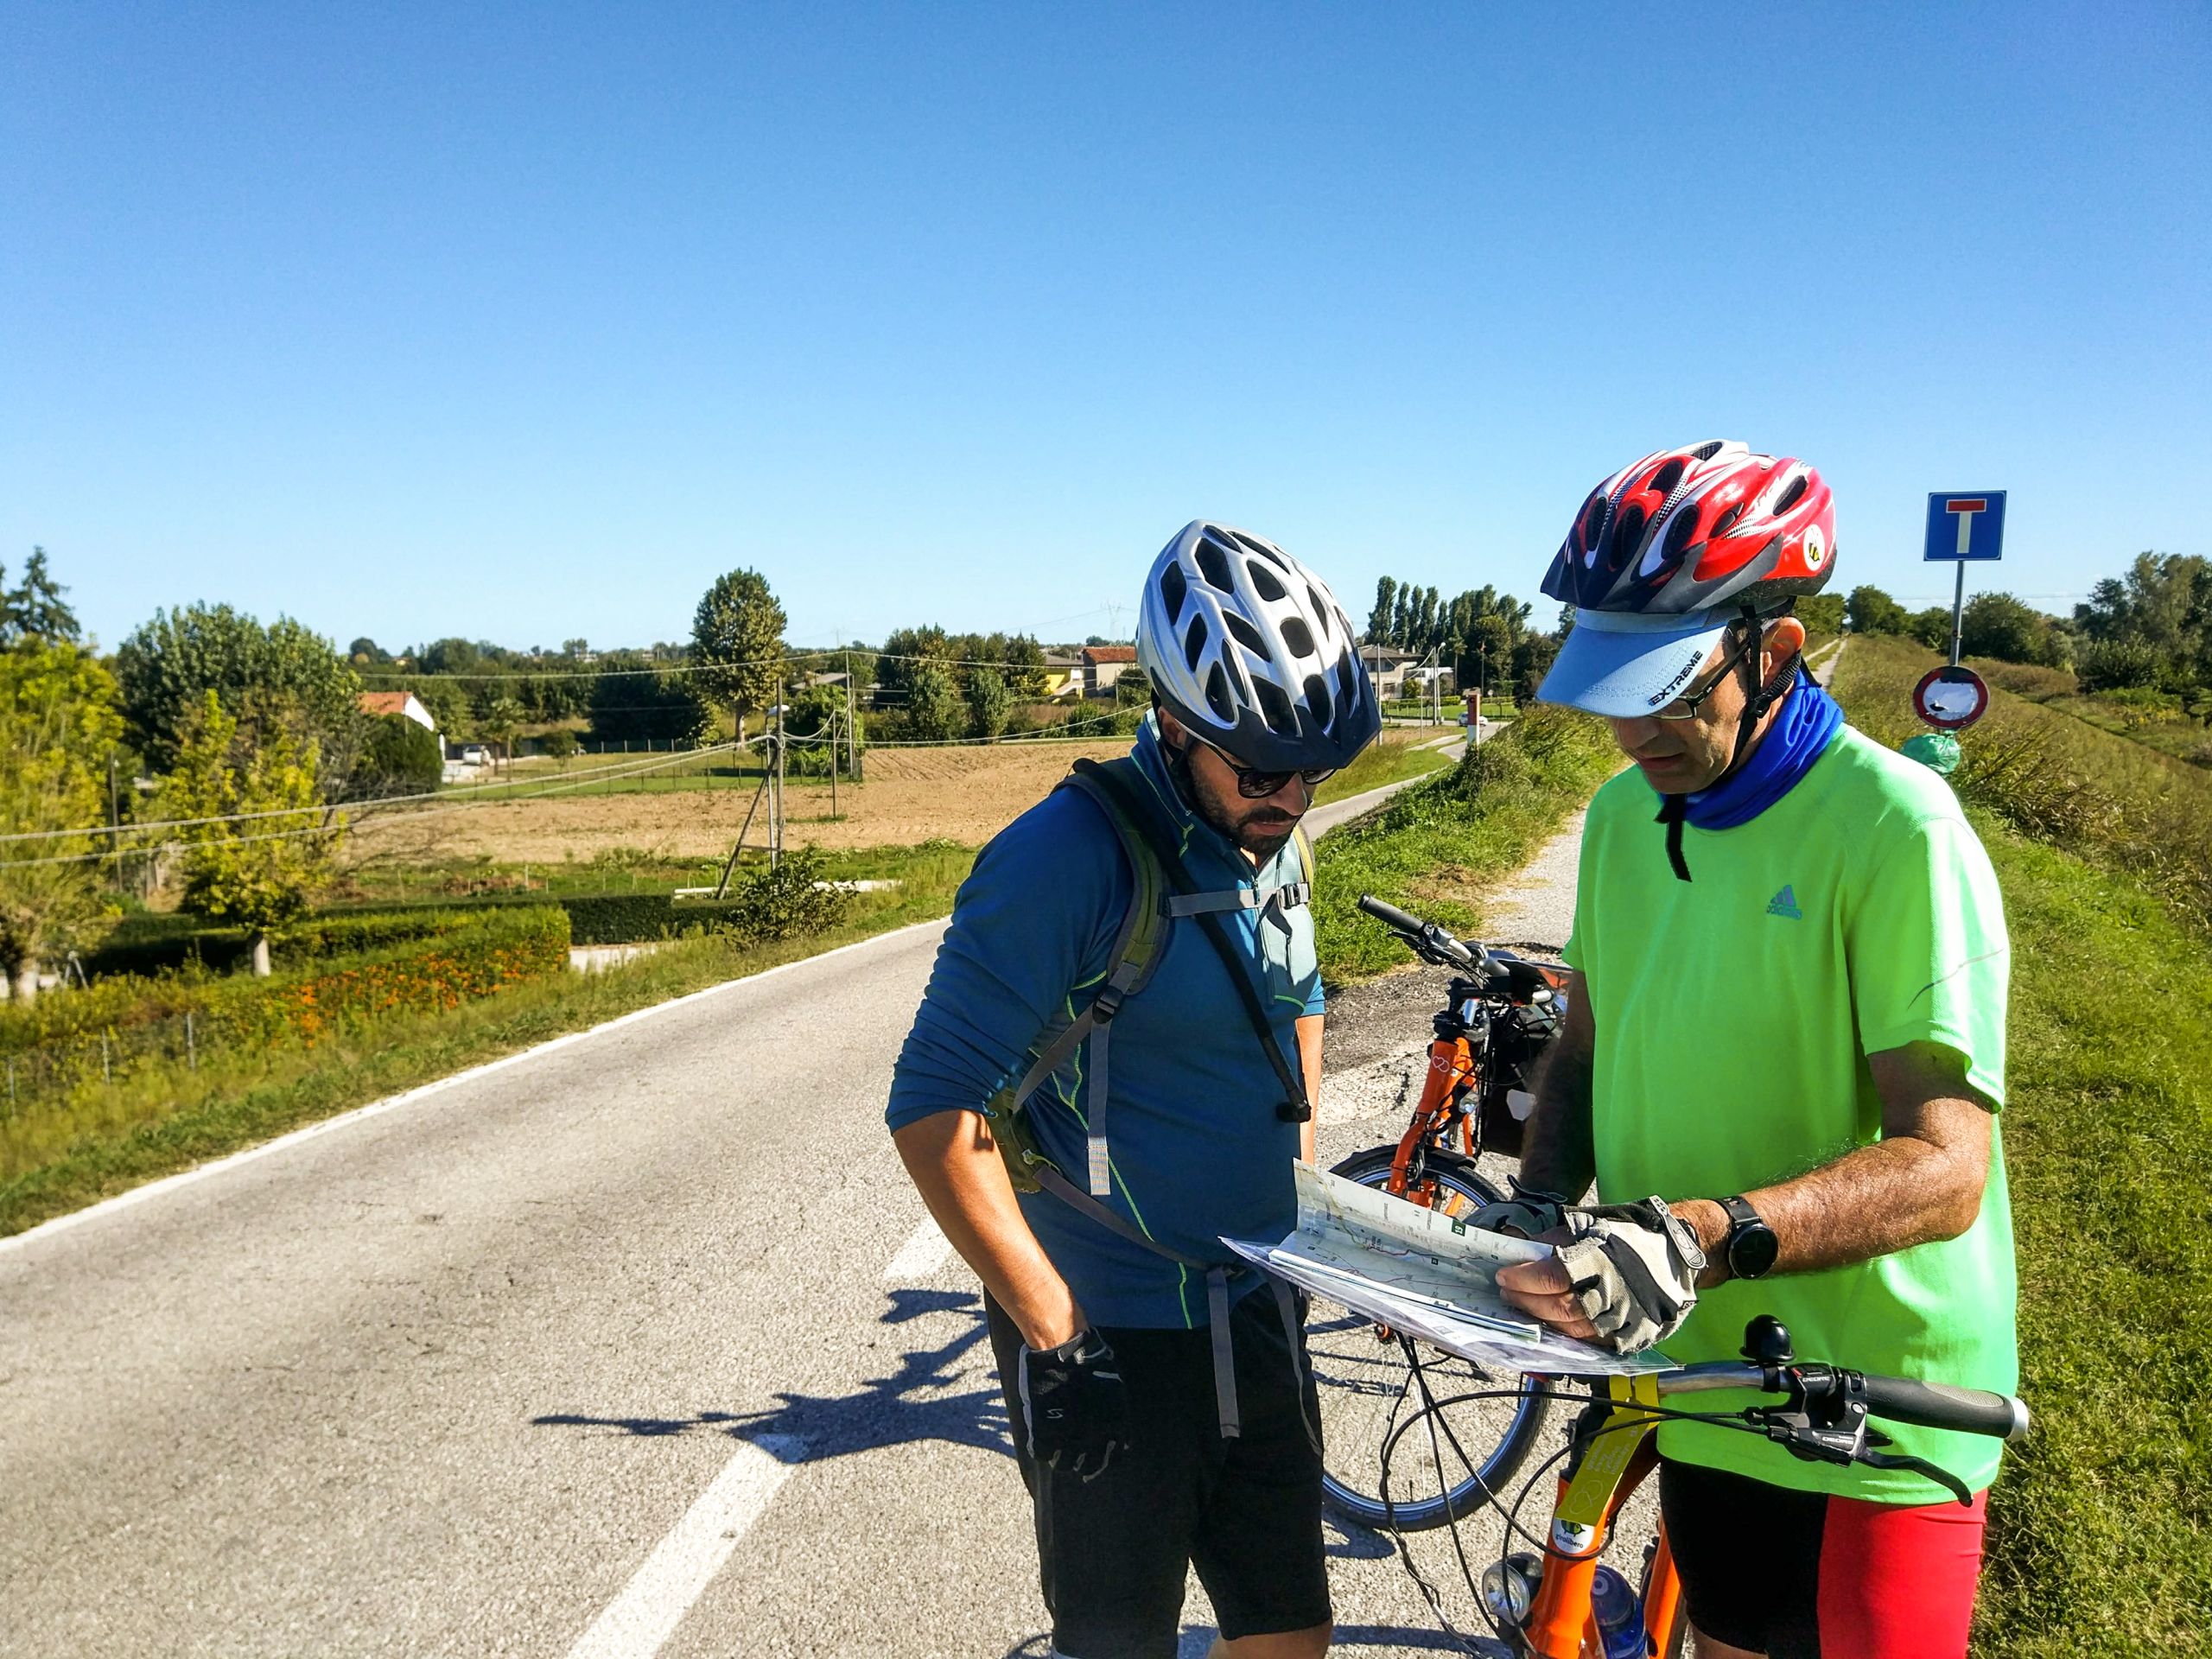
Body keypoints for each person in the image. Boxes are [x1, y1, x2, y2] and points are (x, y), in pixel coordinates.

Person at [1487, 442, 2017, 1659]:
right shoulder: (1626, 820)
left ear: (1770, 653)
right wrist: (1534, 1208)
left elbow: (1948, 1166)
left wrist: (1699, 1237)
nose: (1632, 731)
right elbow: (1589, 1035)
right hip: (1706, 1376)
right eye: (1613, 688)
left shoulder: (1896, 829)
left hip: (1880, 1408)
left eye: (1667, 686)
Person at [887, 521, 1380, 1659]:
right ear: (1172, 722)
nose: (1295, 796)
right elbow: (932, 1110)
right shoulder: (1064, 858)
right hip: (1104, 1326)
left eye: (1316, 769)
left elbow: (1297, 999)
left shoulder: (1278, 838)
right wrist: (1055, 1339)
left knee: (1290, 1632)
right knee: (1118, 1644)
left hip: (1253, 1305)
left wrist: (1299, 1188)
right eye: (1262, 769)